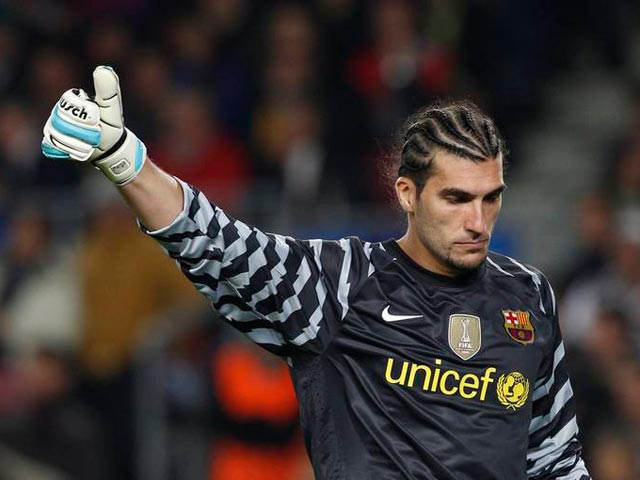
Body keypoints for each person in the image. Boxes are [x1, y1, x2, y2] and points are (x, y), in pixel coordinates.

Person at [40, 66, 590, 479]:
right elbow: (217, 241)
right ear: (407, 194)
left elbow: (555, 458)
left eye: (491, 198)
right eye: (457, 198)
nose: (478, 221)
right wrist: (125, 160)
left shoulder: (529, 296)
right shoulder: (342, 282)